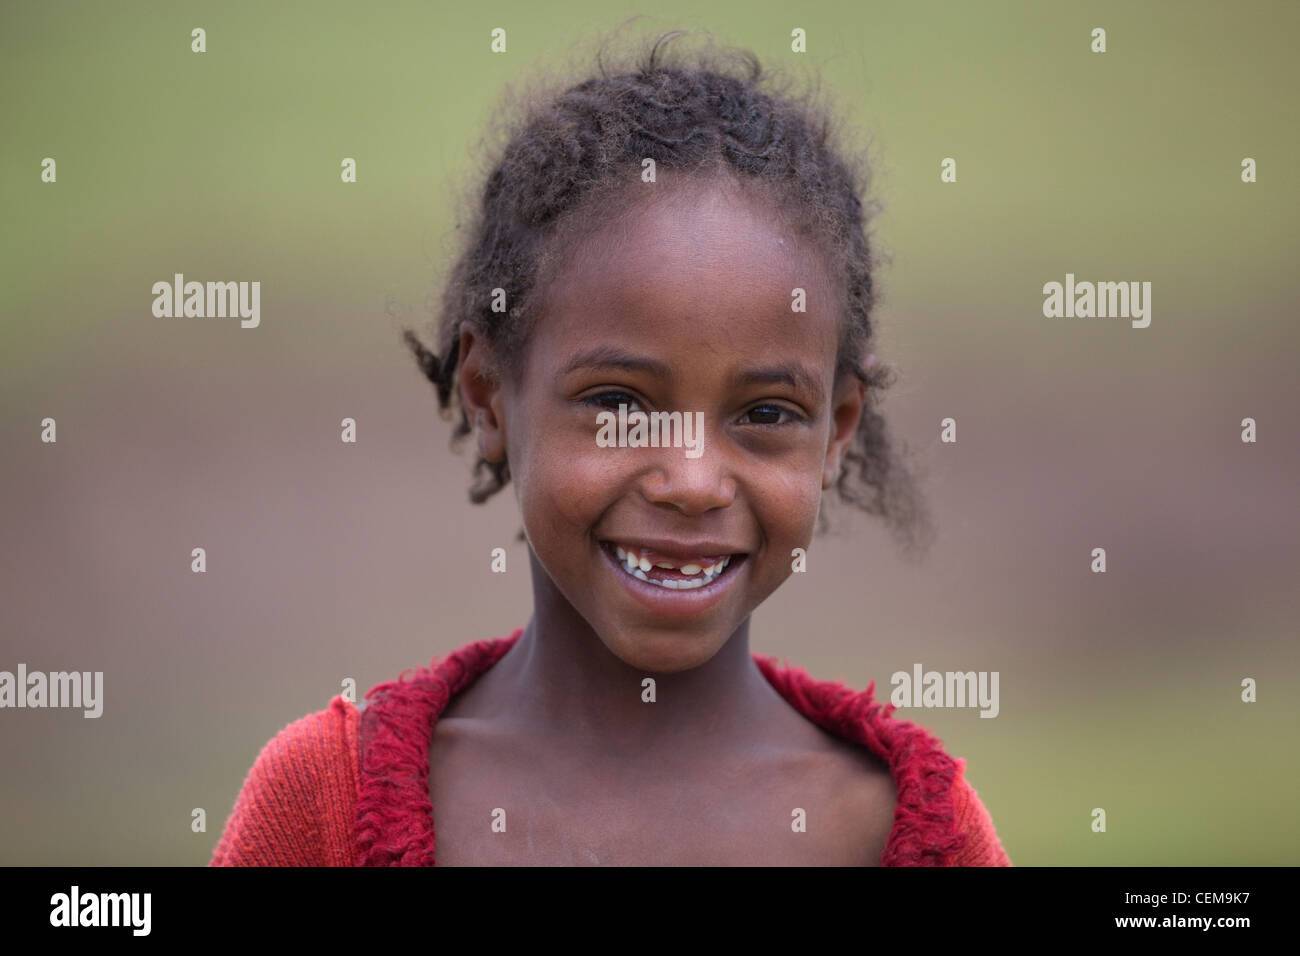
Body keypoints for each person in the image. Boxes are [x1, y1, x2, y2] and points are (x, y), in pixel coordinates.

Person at [211, 30, 1010, 867]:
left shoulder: (907, 831)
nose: (693, 481)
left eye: (767, 414)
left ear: (838, 429)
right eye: (620, 402)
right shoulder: (328, 803)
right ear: (488, 395)